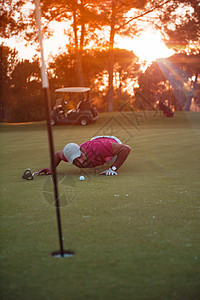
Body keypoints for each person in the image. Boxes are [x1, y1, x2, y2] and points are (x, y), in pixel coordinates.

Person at [37, 136, 131, 176]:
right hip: (95, 142)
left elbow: (126, 149)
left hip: (111, 143)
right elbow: (57, 154)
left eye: (80, 156)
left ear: (82, 150)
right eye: (75, 161)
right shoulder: (68, 155)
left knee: (110, 159)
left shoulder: (99, 148)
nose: (81, 162)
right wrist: (51, 169)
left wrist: (113, 168)